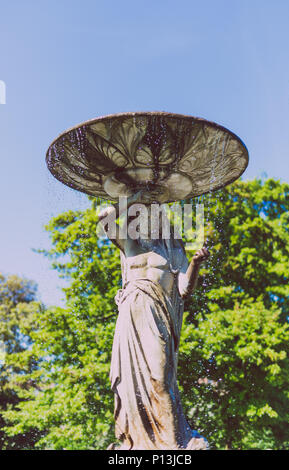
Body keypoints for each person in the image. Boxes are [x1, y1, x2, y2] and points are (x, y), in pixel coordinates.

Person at [98, 188, 210, 450]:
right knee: (129, 386)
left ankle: (172, 445)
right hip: (129, 318)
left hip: (157, 316)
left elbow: (184, 288)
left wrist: (195, 262)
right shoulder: (129, 244)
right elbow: (104, 218)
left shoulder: (173, 251)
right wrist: (133, 199)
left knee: (159, 379)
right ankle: (136, 442)